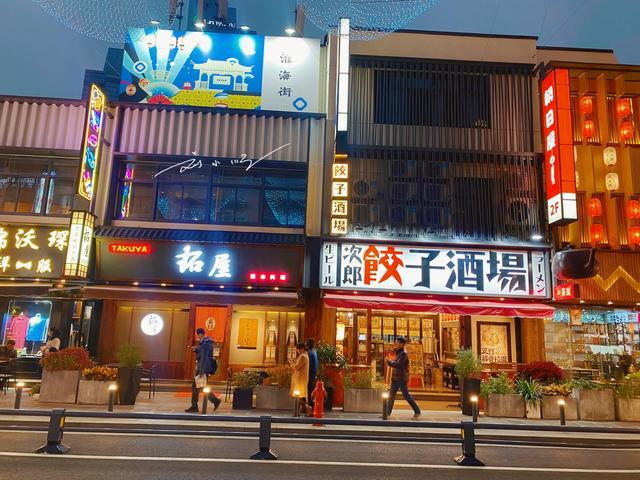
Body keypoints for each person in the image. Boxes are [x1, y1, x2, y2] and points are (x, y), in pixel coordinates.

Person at [185, 328, 221, 413]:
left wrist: (201, 371)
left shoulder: (205, 344)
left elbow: (204, 358)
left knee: (197, 386)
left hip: (203, 368)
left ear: (200, 334)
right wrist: (196, 350)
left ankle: (196, 406)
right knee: (200, 387)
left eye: (198, 335)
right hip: (204, 367)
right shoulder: (206, 343)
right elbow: (202, 355)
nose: (197, 337)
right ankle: (213, 401)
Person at [386, 336, 421, 419]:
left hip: (401, 378)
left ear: (402, 344)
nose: (395, 344)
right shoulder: (399, 353)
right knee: (391, 396)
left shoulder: (403, 354)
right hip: (395, 378)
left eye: (397, 342)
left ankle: (417, 411)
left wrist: (389, 362)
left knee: (406, 395)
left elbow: (398, 364)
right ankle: (387, 413)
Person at [290, 342, 309, 415]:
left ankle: (307, 408)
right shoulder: (305, 356)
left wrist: (291, 363)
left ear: (301, 349)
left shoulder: (302, 356)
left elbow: (296, 367)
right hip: (302, 379)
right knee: (298, 396)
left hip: (299, 379)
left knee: (297, 396)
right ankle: (299, 411)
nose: (297, 351)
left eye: (297, 349)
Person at [306, 338, 318, 409]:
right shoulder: (314, 352)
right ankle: (311, 407)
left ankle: (310, 408)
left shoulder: (309, 353)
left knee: (308, 391)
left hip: (309, 374)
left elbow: (308, 365)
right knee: (310, 390)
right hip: (313, 374)